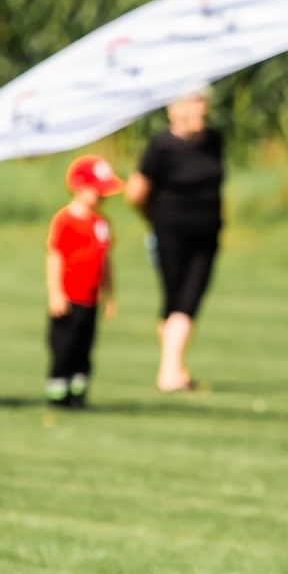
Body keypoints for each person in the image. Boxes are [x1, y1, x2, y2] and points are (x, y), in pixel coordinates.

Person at [125, 90, 223, 393]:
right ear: (173, 110)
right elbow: (135, 193)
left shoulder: (215, 141)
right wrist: (154, 218)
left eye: (202, 103)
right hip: (169, 232)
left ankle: (175, 368)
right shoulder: (161, 147)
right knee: (178, 300)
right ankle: (169, 374)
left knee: (187, 300)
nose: (200, 109)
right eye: (192, 103)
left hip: (207, 233)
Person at [45, 156, 121, 409]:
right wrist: (55, 293)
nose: (102, 199)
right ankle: (58, 395)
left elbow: (105, 260)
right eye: (97, 193)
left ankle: (79, 394)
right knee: (63, 348)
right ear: (79, 187)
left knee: (84, 350)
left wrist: (109, 294)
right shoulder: (64, 220)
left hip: (90, 300)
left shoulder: (102, 223)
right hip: (68, 299)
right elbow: (55, 257)